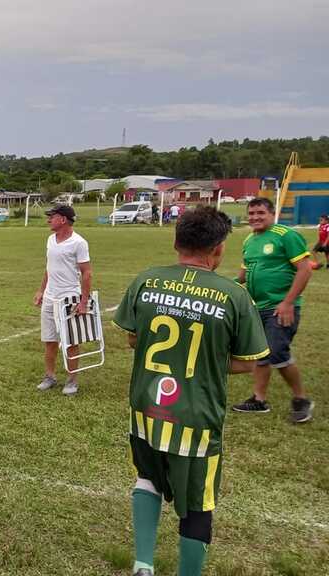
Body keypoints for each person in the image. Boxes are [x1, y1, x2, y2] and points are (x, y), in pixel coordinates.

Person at [113, 206, 269, 576]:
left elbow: (134, 338)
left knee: (147, 477)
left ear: (176, 241)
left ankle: (142, 565)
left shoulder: (147, 281)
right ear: (217, 249)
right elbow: (249, 361)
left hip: (147, 405)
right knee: (198, 502)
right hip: (196, 415)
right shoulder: (233, 294)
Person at [231, 198, 315, 423]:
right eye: (251, 213)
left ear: (272, 213)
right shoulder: (249, 240)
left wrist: (287, 302)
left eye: (260, 213)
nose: (255, 217)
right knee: (260, 353)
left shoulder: (285, 235)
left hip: (281, 308)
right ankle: (259, 400)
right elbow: (243, 275)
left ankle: (301, 400)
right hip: (257, 307)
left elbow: (305, 269)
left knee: (277, 352)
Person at [33, 205, 92, 395]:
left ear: (63, 220)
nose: (48, 220)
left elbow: (87, 273)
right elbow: (49, 268)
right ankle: (49, 376)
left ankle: (72, 380)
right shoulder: (50, 239)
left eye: (52, 216)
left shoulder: (79, 243)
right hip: (50, 298)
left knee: (71, 342)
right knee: (49, 340)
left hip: (70, 298)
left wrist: (83, 302)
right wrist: (41, 290)